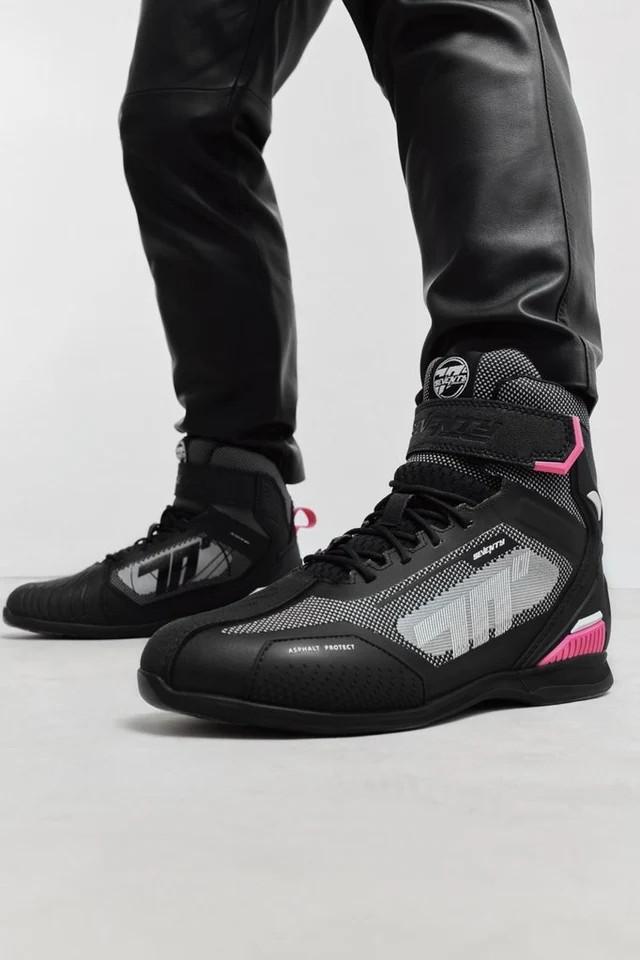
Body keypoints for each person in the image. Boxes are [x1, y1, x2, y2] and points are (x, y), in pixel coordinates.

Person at [4, 0, 612, 733]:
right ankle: (232, 513)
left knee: (446, 11)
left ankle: (521, 496)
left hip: (524, 485)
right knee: (181, 112)